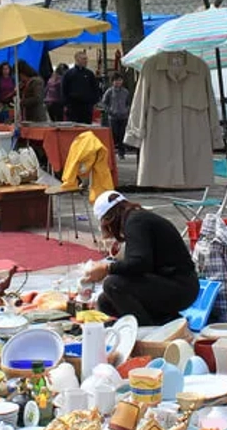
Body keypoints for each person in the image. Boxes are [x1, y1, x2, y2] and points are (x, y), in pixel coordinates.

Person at [82, 191, 198, 326]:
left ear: (109, 219)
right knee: (105, 301)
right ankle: (162, 320)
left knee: (113, 284)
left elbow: (140, 263)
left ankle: (147, 330)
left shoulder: (135, 221)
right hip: (174, 284)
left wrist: (108, 268)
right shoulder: (137, 219)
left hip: (180, 287)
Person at [62, 50, 100, 125]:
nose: (86, 61)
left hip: (86, 108)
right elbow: (64, 89)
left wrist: (94, 101)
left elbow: (95, 88)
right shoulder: (69, 74)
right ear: (77, 59)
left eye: (86, 59)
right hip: (73, 107)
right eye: (83, 59)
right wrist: (66, 103)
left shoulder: (89, 74)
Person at [99, 73, 131, 160]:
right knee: (113, 134)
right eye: (116, 80)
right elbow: (104, 103)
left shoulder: (125, 92)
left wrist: (126, 110)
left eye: (120, 80)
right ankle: (111, 152)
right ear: (113, 82)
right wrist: (109, 111)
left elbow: (128, 103)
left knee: (122, 134)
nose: (118, 82)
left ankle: (121, 152)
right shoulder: (109, 91)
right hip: (113, 117)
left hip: (123, 116)